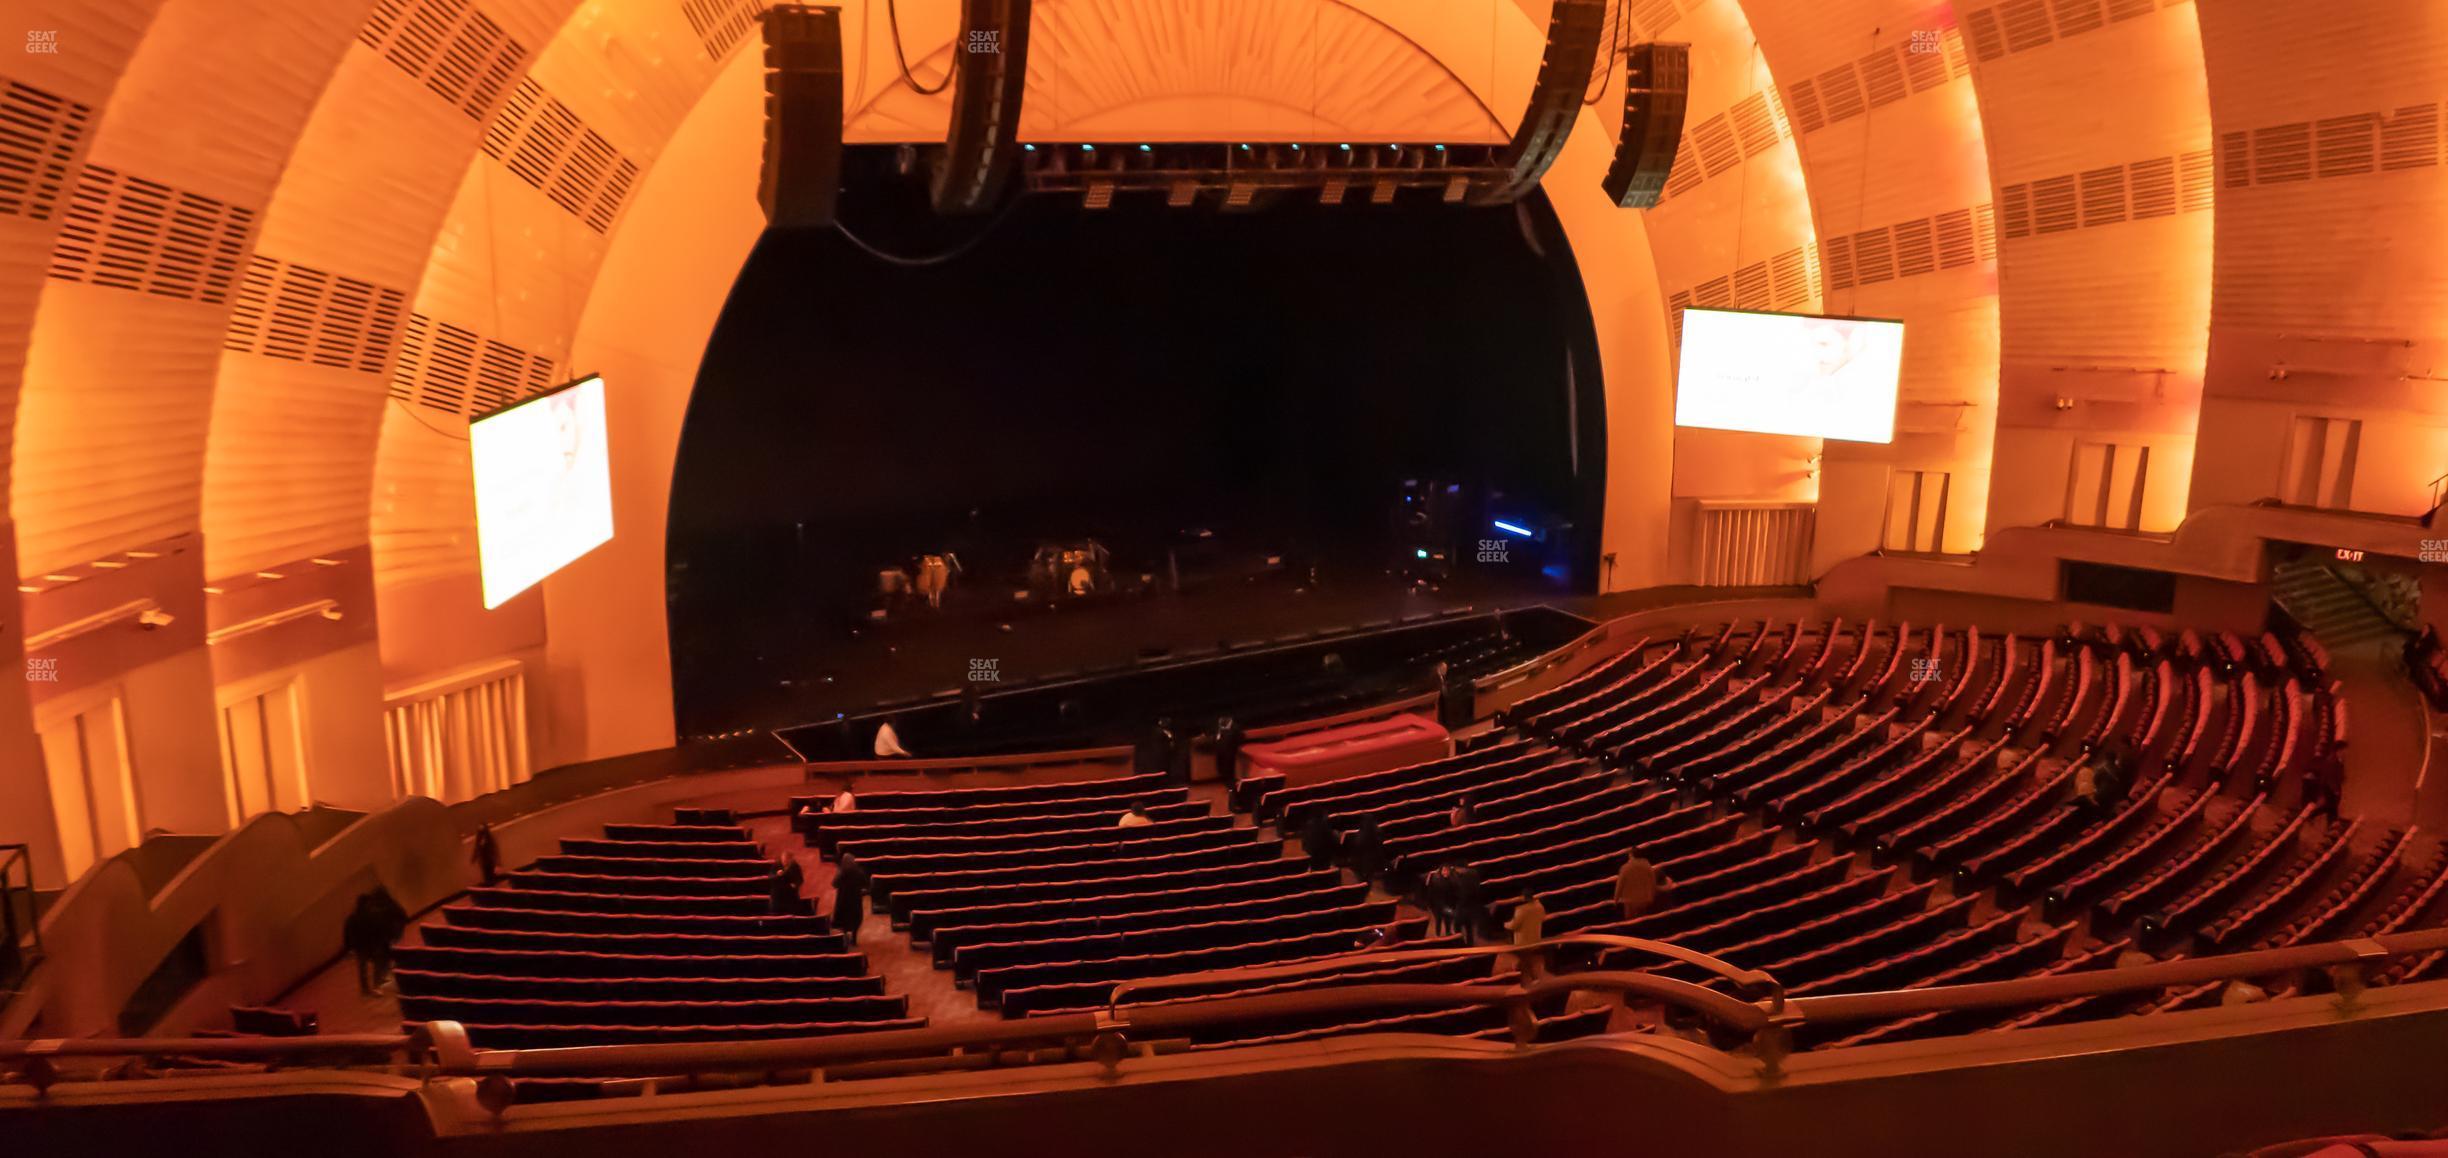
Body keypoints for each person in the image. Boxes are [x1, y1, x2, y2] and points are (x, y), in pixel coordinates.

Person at [1504, 892, 1548, 980]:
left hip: (1523, 940)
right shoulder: (1540, 907)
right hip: (1535, 938)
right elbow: (1543, 918)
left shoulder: (1521, 910)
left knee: (1525, 959)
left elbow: (1514, 925)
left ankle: (1528, 978)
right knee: (1529, 958)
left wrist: (1505, 925)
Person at [831, 855, 871, 943]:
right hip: (855, 899)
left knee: (844, 918)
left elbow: (834, 884)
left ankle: (845, 935)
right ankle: (854, 937)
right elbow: (865, 883)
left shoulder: (842, 872)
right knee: (855, 918)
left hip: (843, 899)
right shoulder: (858, 872)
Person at [1614, 852, 1659, 923]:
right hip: (1644, 899)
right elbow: (1653, 882)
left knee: (1630, 921)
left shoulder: (1625, 867)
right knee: (1642, 921)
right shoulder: (1648, 866)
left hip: (1630, 900)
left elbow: (1620, 884)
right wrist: (1652, 896)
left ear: (1631, 855)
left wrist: (1616, 899)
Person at [1210, 716, 1245, 788]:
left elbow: (1241, 738)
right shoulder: (1217, 726)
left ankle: (1231, 785)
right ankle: (1227, 781)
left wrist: (1235, 747)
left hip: (1230, 752)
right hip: (1219, 752)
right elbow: (1214, 737)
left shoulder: (1235, 728)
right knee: (1221, 769)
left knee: (1229, 769)